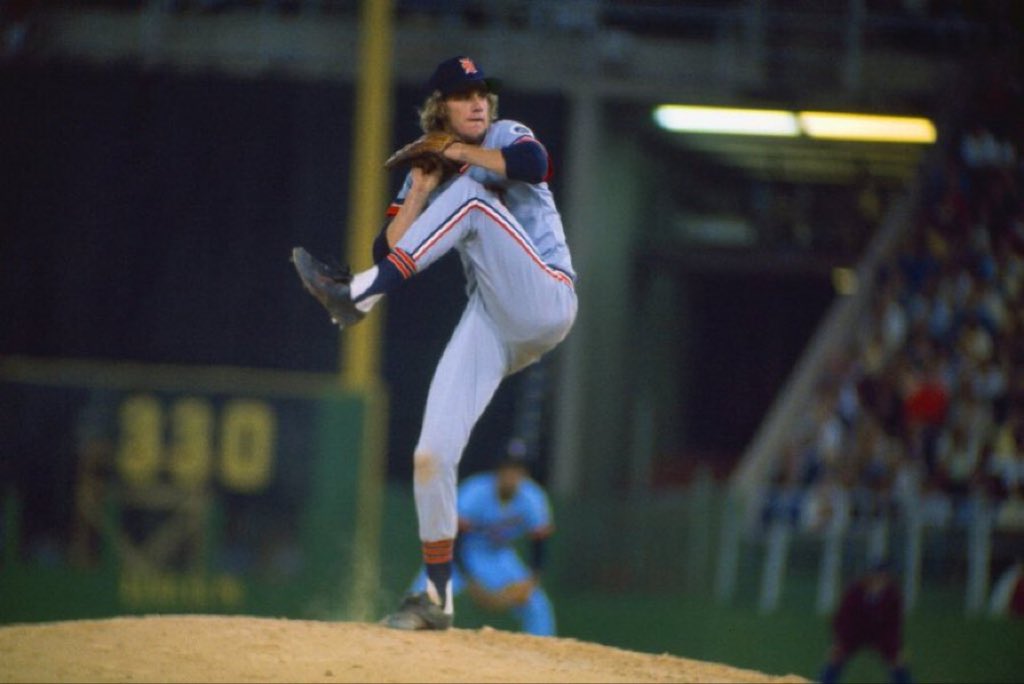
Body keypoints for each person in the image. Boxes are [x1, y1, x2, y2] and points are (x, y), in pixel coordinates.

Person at [291, 55, 577, 630]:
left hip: (547, 294)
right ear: (439, 107)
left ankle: (356, 299)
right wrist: (421, 187)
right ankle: (438, 598)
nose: (478, 103)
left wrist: (460, 157)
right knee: (431, 455)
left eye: (482, 93)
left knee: (473, 199)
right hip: (495, 320)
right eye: (463, 94)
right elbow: (389, 248)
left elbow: (535, 163)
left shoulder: (503, 136)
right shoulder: (432, 160)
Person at [404, 439, 557, 635]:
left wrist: (531, 582)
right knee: (420, 598)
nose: (511, 474)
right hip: (458, 554)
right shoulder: (474, 492)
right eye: (507, 467)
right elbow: (453, 542)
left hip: (499, 556)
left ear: (525, 473)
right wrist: (474, 585)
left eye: (518, 468)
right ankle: (402, 643)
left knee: (538, 607)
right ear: (497, 470)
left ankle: (542, 659)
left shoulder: (533, 499)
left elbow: (540, 545)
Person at [819, 559, 912, 684]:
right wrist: (839, 641)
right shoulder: (855, 591)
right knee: (835, 656)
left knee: (898, 660)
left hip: (881, 633)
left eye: (883, 577)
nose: (879, 580)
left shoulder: (892, 595)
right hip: (854, 632)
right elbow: (843, 617)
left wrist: (896, 646)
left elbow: (894, 624)